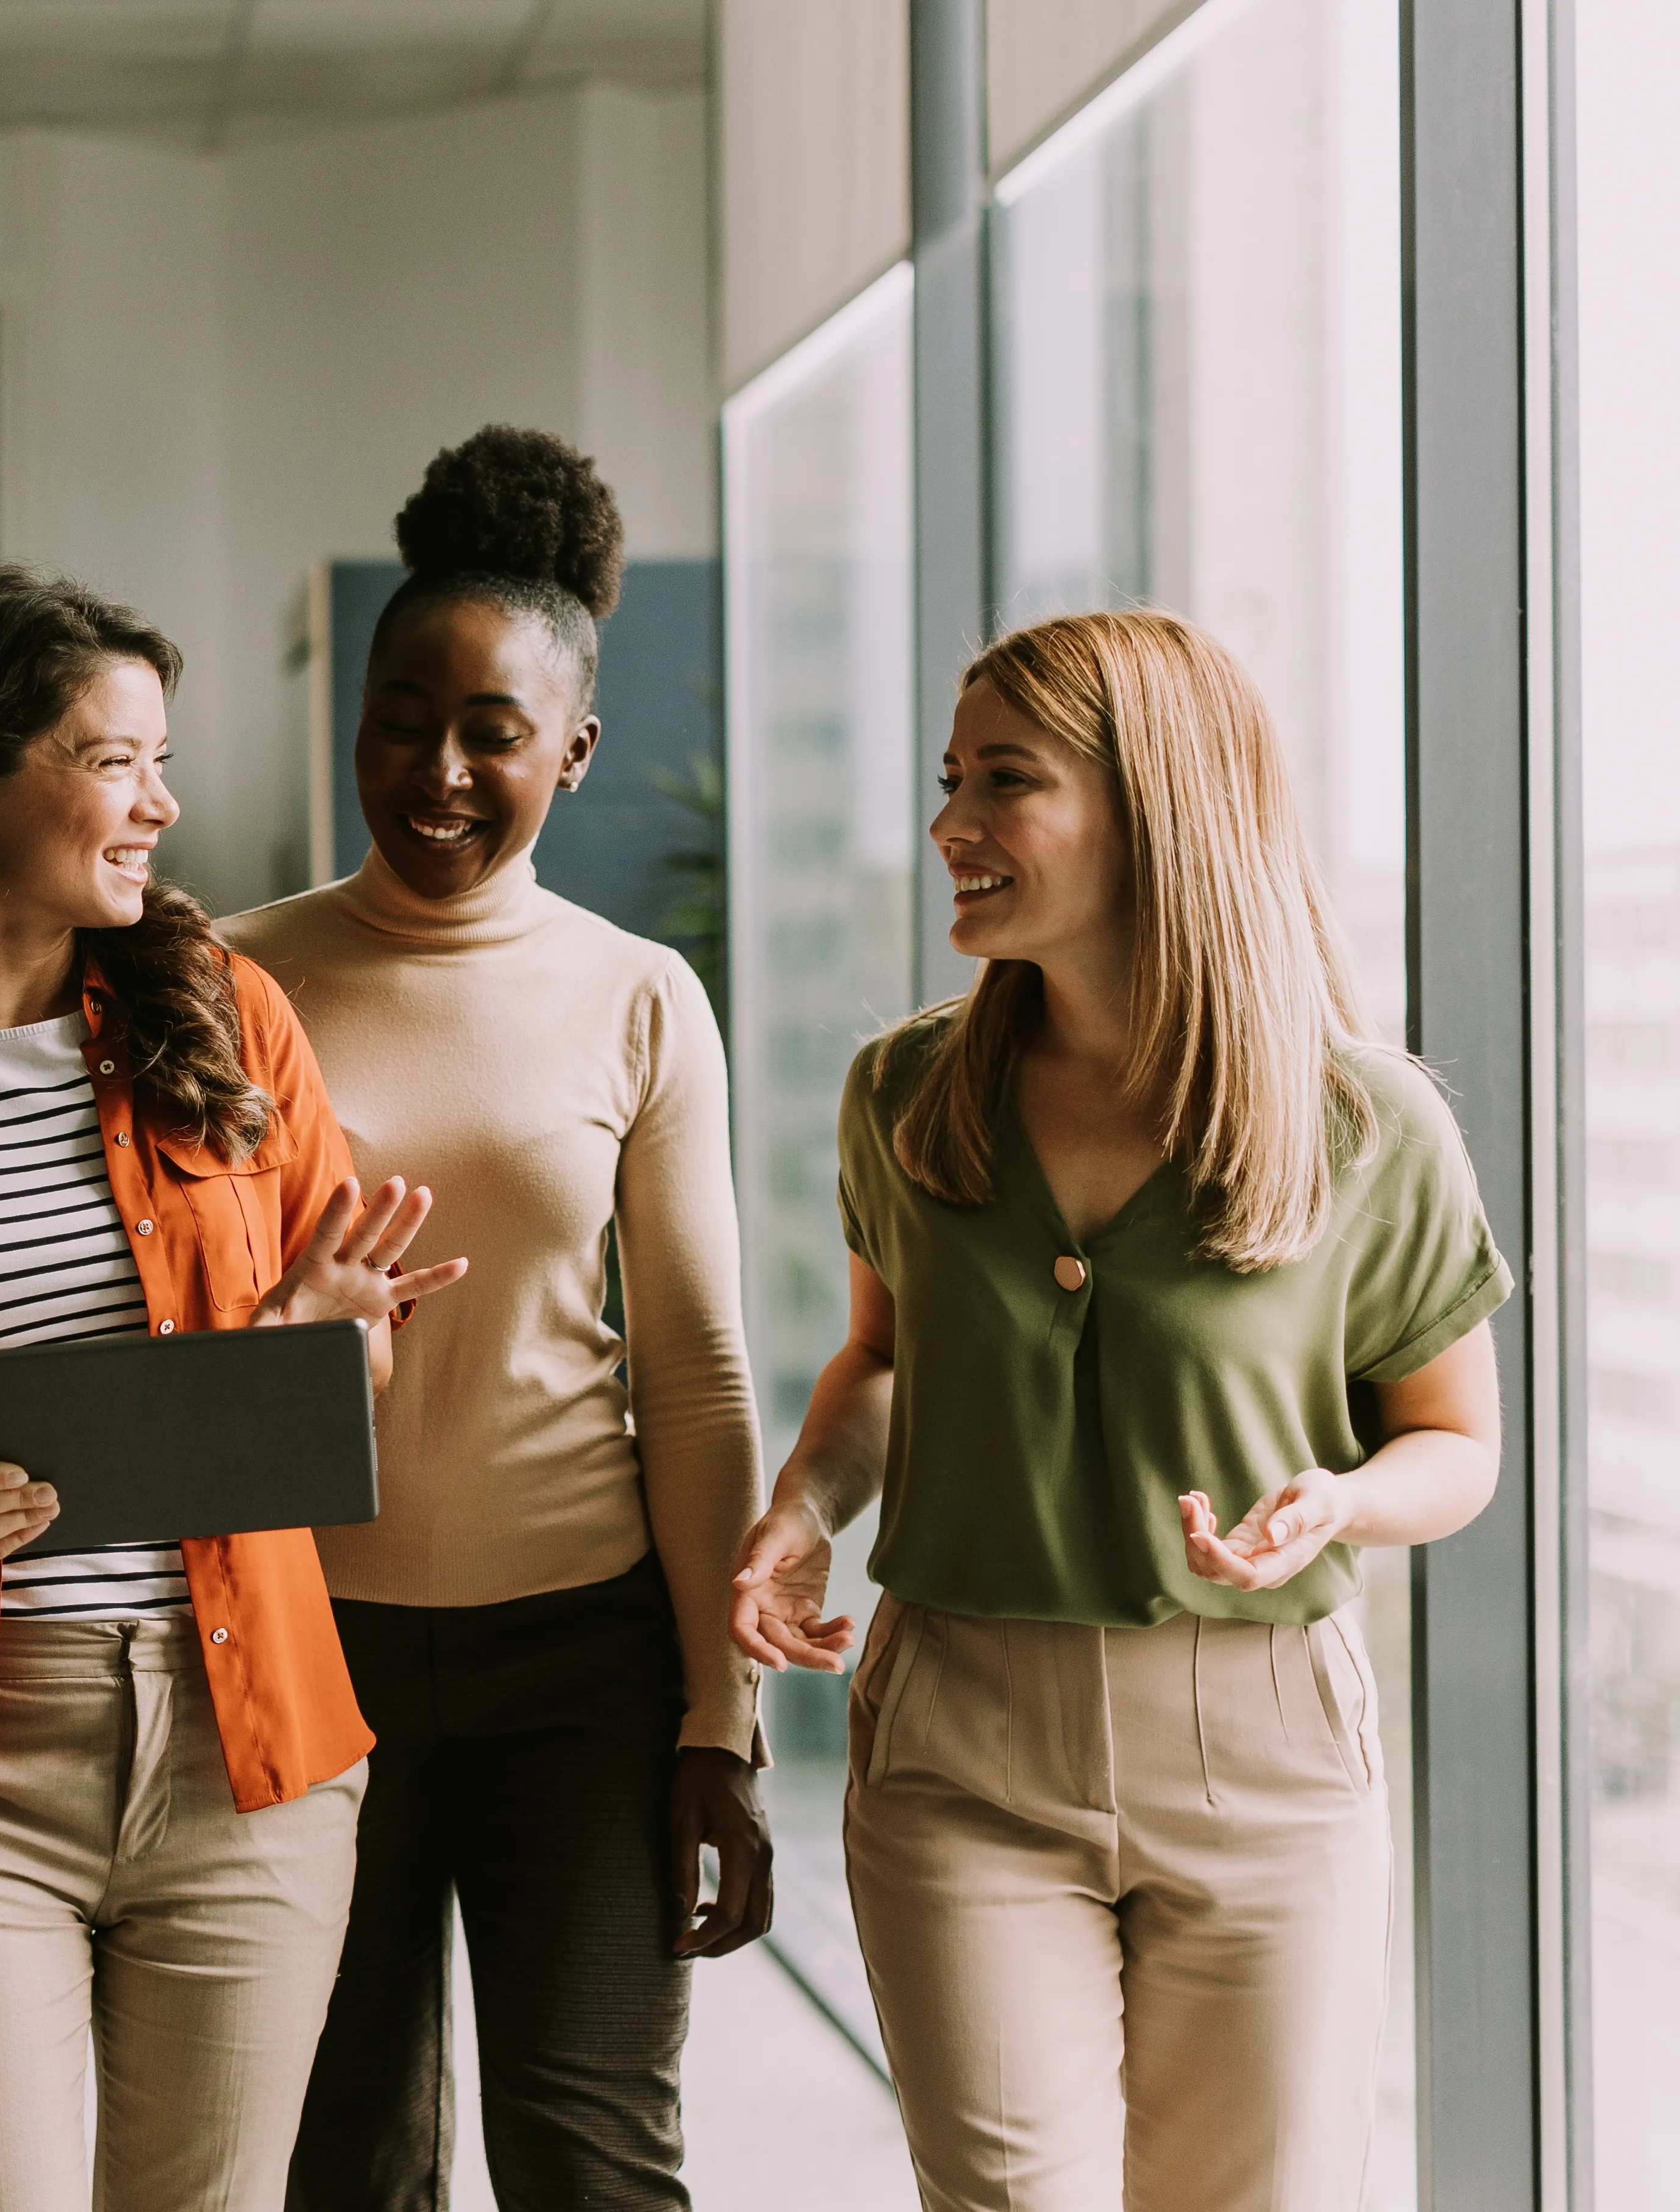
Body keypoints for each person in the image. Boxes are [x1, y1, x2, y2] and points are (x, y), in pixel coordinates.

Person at [730, 609, 1511, 2212]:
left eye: (1003, 782)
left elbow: (1457, 1442)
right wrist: (805, 1511)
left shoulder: (1369, 1122)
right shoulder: (902, 1094)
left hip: (1266, 1748)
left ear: (1155, 807)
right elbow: (884, 1364)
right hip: (964, 1743)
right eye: (951, 779)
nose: (951, 824)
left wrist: (1343, 1501)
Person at [0, 565, 469, 2212]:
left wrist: (320, 1336)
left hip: (247, 1744)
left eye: (160, 758)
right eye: (116, 761)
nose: (162, 803)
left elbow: (350, 1375)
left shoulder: (229, 1021)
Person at [224, 426, 771, 2210]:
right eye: (402, 714)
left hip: (584, 1664)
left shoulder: (638, 997)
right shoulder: (229, 982)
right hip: (314, 1650)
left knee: (597, 2168)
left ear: (576, 753)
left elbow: (691, 1382)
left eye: (494, 733)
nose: (437, 768)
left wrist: (721, 1713)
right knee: (339, 2166)